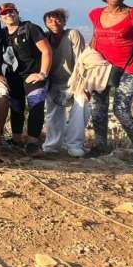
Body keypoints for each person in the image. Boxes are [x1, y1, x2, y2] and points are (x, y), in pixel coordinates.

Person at [87, 0, 133, 168]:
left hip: (130, 67)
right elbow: (95, 37)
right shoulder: (95, 14)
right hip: (102, 68)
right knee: (98, 108)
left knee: (121, 110)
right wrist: (90, 64)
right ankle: (100, 146)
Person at [0, 3, 52, 154]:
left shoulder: (30, 28)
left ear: (17, 13)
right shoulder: (2, 34)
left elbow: (46, 51)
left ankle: (33, 143)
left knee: (35, 106)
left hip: (33, 74)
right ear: (1, 18)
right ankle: (17, 140)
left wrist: (42, 73)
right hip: (13, 76)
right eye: (4, 13)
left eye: (11, 11)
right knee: (16, 107)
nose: (8, 15)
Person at [41, 9, 87, 157]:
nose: (54, 23)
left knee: (81, 107)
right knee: (53, 113)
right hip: (54, 81)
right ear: (46, 24)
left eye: (58, 20)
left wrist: (79, 84)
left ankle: (74, 144)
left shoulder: (73, 34)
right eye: (50, 21)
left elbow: (80, 60)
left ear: (64, 21)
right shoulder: (45, 38)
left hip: (75, 79)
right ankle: (52, 145)